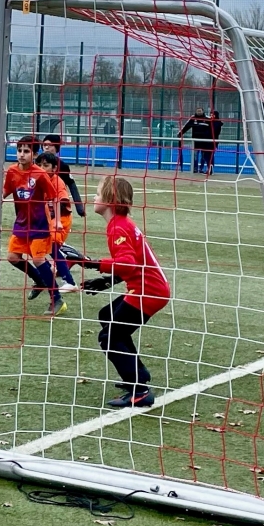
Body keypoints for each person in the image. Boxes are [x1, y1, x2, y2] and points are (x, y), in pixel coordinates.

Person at [82, 175, 171, 409]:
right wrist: (107, 281)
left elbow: (128, 264)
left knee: (110, 337)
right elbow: (134, 263)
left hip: (148, 291)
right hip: (149, 288)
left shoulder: (118, 227)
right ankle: (138, 376)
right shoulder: (121, 224)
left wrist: (91, 263)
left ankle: (140, 391)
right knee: (107, 316)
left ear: (109, 200)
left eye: (98, 194)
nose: (94, 197)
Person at [3, 134, 62, 315]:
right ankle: (40, 280)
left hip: (39, 224)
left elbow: (54, 197)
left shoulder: (40, 174)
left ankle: (57, 299)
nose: (22, 154)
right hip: (21, 223)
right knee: (13, 257)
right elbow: (5, 190)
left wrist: (57, 220)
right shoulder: (12, 171)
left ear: (34, 154)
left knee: (38, 260)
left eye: (26, 151)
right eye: (19, 150)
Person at [34, 151, 82, 295]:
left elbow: (62, 201)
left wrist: (57, 221)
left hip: (61, 220)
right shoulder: (39, 180)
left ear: (54, 168)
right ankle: (50, 270)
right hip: (50, 219)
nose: (42, 168)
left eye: (46, 165)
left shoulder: (57, 182)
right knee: (38, 246)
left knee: (53, 246)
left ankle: (70, 282)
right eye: (39, 165)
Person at [179, 108, 218, 175]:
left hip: (204, 142)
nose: (199, 112)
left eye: (200, 111)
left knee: (204, 156)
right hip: (195, 142)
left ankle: (201, 168)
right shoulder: (193, 119)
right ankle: (195, 168)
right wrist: (180, 133)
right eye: (197, 111)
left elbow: (213, 129)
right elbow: (186, 127)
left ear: (203, 111)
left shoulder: (207, 119)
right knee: (195, 156)